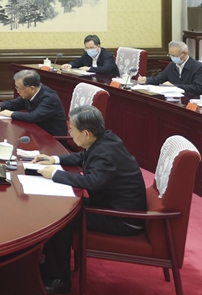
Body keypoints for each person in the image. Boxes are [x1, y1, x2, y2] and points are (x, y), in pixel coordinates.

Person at [33, 106, 147, 294]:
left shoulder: (106, 154)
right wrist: (54, 160)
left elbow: (92, 182)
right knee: (58, 209)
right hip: (110, 205)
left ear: (86, 133)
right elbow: (83, 157)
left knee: (61, 220)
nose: (70, 134)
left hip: (121, 218)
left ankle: (59, 280)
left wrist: (54, 174)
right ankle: (51, 266)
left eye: (72, 130)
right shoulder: (105, 139)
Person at [0, 69, 68, 136]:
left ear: (32, 88)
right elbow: (15, 103)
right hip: (36, 134)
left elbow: (33, 117)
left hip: (52, 140)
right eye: (16, 87)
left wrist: (11, 114)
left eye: (20, 88)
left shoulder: (49, 98)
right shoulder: (30, 93)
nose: (18, 91)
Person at [138, 40, 202, 95]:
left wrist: (174, 86)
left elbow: (198, 88)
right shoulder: (172, 65)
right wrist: (147, 80)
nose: (172, 58)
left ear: (185, 53)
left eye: (175, 56)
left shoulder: (198, 67)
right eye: (170, 55)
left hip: (191, 100)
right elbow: (160, 79)